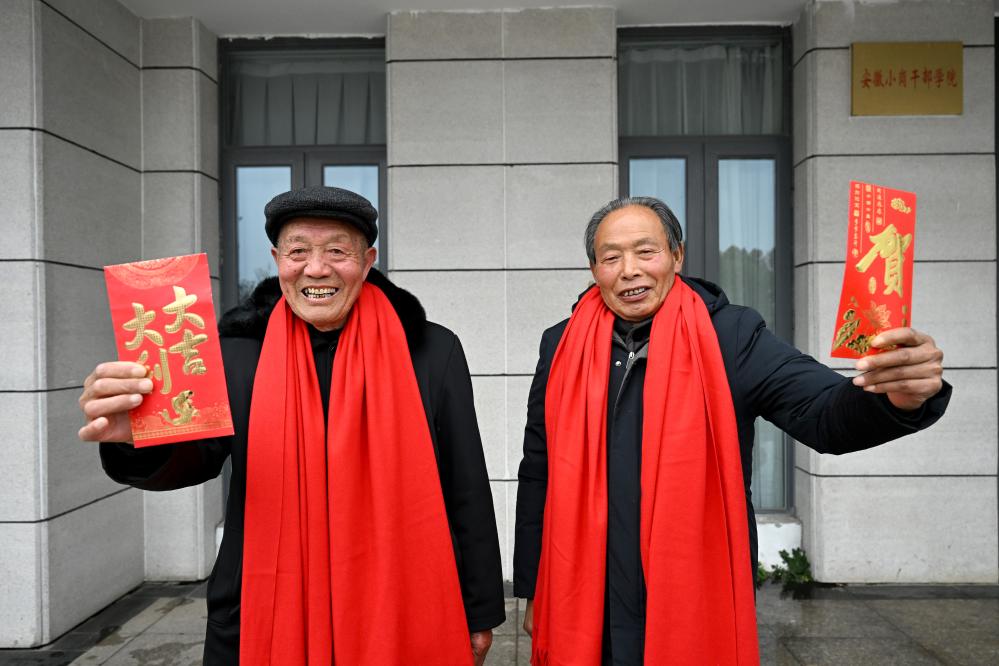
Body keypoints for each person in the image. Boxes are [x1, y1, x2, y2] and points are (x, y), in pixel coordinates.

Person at [513, 196, 950, 665]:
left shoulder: (732, 335)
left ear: (677, 256)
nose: (629, 270)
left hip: (690, 588)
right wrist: (534, 588)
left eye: (646, 251)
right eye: (611, 257)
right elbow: (539, 469)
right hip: (585, 589)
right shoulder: (561, 343)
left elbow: (822, 414)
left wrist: (895, 398)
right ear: (594, 269)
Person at [79, 186, 505, 665]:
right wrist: (136, 435)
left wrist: (479, 609)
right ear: (277, 260)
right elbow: (193, 458)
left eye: (337, 251)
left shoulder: (430, 350)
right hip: (263, 605)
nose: (316, 269)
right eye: (298, 251)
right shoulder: (236, 352)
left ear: (368, 261)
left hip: (399, 600)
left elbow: (465, 484)